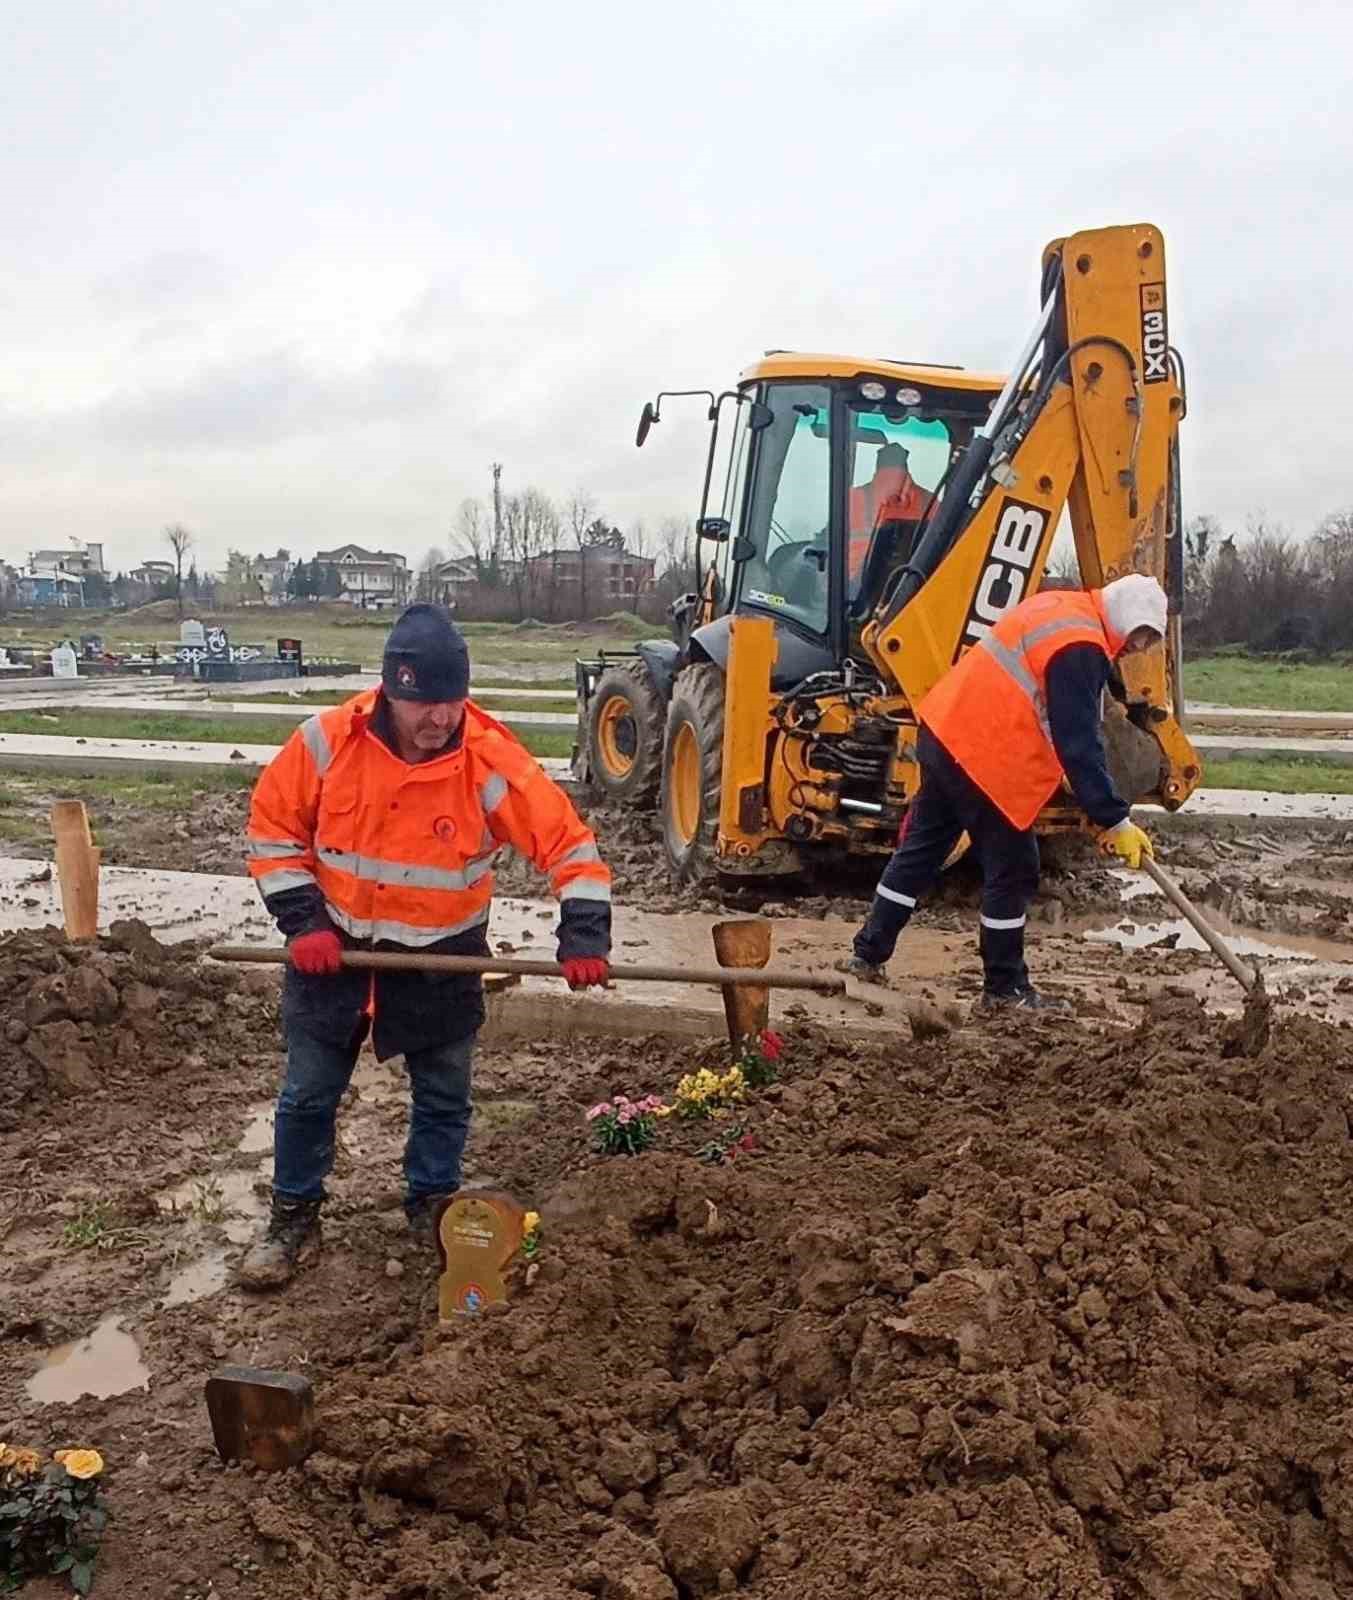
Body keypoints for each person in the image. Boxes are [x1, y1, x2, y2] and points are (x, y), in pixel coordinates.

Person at [238, 604, 612, 1288]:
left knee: (443, 1097)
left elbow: (570, 846)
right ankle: (292, 1217)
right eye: (423, 704)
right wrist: (304, 923)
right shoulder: (325, 743)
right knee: (307, 1096)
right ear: (390, 691)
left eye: (451, 703)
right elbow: (272, 832)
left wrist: (583, 933)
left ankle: (430, 1204)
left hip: (442, 959)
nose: (440, 720)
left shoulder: (489, 757)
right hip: (338, 957)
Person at [839, 573, 1166, 1010]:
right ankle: (1005, 989)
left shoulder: (1060, 609)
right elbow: (1079, 740)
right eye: (1141, 634)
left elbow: (1046, 712)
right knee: (1013, 868)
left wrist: (1087, 795)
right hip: (984, 754)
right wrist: (1113, 817)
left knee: (923, 849)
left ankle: (867, 953)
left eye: (1148, 641)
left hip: (945, 732)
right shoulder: (1082, 645)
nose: (1139, 647)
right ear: (1125, 616)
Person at [848, 443, 929, 584]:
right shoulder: (930, 501)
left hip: (855, 591)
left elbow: (826, 543)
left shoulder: (852, 499)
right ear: (906, 466)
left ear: (878, 466)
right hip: (915, 587)